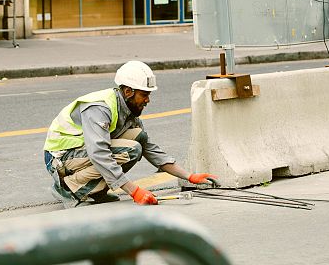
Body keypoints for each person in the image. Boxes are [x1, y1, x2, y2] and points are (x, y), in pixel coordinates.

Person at [43, 60, 217, 208]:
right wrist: (134, 191)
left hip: (80, 154)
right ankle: (69, 188)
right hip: (60, 158)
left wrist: (189, 176)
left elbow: (149, 148)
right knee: (131, 150)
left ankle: (95, 191)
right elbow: (99, 153)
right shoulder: (100, 108)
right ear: (128, 92)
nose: (148, 100)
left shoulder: (127, 110)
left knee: (138, 137)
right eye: (144, 95)